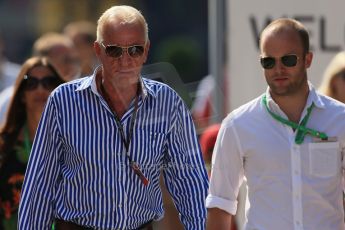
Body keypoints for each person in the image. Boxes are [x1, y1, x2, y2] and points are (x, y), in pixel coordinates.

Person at [18, 5, 208, 229]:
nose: (125, 60)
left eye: (135, 49)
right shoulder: (63, 101)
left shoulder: (168, 103)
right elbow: (40, 186)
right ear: (98, 50)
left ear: (146, 51)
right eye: (114, 50)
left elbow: (191, 182)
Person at [206, 18, 345, 230]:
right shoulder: (237, 125)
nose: (278, 69)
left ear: (308, 59)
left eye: (288, 60)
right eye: (268, 62)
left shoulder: (340, 119)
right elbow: (219, 204)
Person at [0, 56, 64, 229]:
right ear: (21, 95)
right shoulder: (3, 145)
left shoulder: (77, 142)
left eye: (49, 82)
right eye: (31, 83)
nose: (41, 90)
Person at [0, 32, 81, 125]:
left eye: (75, 60)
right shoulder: (11, 100)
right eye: (66, 60)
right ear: (43, 61)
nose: (72, 66)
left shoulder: (81, 98)